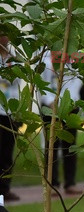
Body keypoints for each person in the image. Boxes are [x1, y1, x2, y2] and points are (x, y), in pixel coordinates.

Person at [40, 51, 84, 196]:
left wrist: (69, 101)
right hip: (50, 108)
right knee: (51, 146)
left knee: (70, 145)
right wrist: (50, 102)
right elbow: (41, 83)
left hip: (70, 106)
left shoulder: (74, 57)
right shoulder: (45, 57)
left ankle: (70, 183)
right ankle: (52, 184)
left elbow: (78, 79)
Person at [0, 34, 21, 202]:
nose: (5, 38)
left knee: (7, 153)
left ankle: (5, 190)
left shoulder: (16, 57)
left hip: (10, 112)